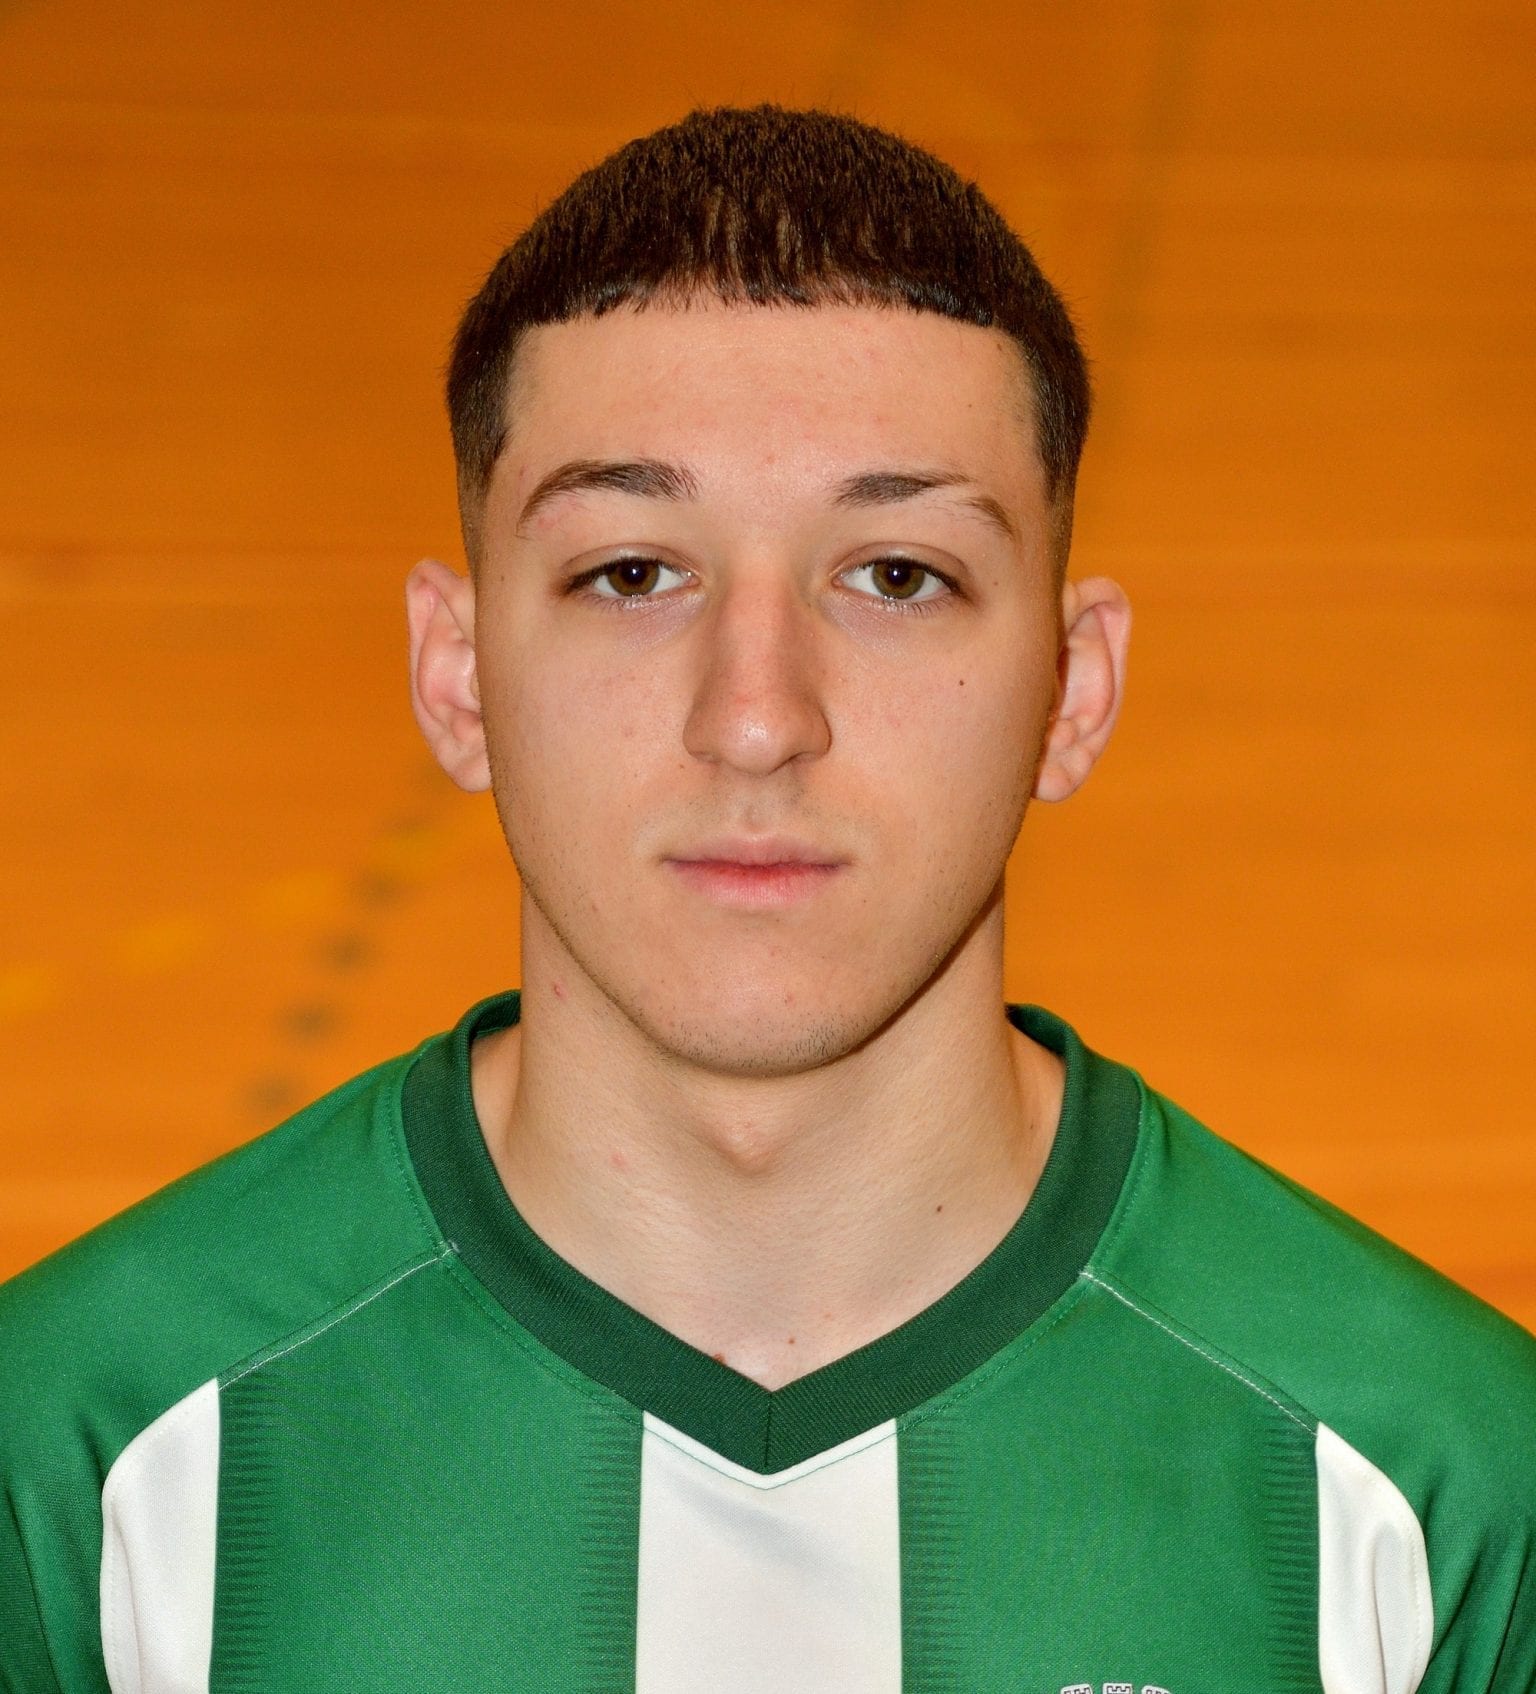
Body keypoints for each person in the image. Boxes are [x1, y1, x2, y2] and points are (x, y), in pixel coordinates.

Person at [1, 103, 1532, 1694]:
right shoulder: (74, 1459)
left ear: (1073, 690)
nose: (754, 715)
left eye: (896, 574)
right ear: (456, 676)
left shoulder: (1446, 1493)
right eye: (631, 572)